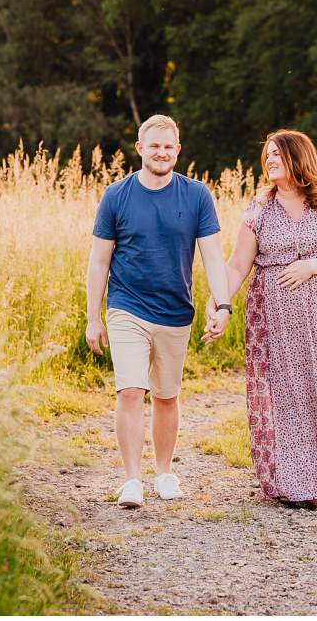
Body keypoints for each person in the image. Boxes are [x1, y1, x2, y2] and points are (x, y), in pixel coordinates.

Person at [204, 129, 317, 508]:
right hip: (269, 318)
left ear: (298, 157)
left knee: (316, 391)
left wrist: (311, 266)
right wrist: (219, 302)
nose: (270, 160)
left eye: (277, 154)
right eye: (268, 155)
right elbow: (238, 264)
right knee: (279, 393)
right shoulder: (259, 209)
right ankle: (292, 485)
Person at [86, 114, 233, 508]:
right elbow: (99, 261)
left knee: (167, 396)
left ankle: (165, 473)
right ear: (140, 148)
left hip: (175, 312)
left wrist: (223, 305)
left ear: (178, 150)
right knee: (131, 390)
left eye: (168, 147)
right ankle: (132, 480)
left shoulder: (197, 195)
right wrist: (93, 316)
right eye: (154, 146)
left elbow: (214, 257)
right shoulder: (116, 196)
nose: (161, 152)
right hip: (126, 307)